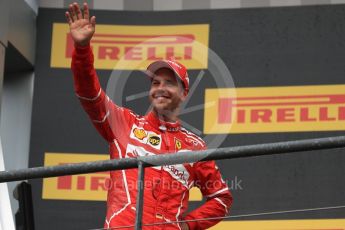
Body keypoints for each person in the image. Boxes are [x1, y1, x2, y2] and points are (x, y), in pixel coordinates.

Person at [65, 2, 232, 230]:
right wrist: (82, 49)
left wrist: (187, 226)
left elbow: (222, 198)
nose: (160, 88)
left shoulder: (196, 147)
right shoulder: (125, 123)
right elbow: (88, 93)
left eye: (169, 83)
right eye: (155, 82)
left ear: (184, 93)